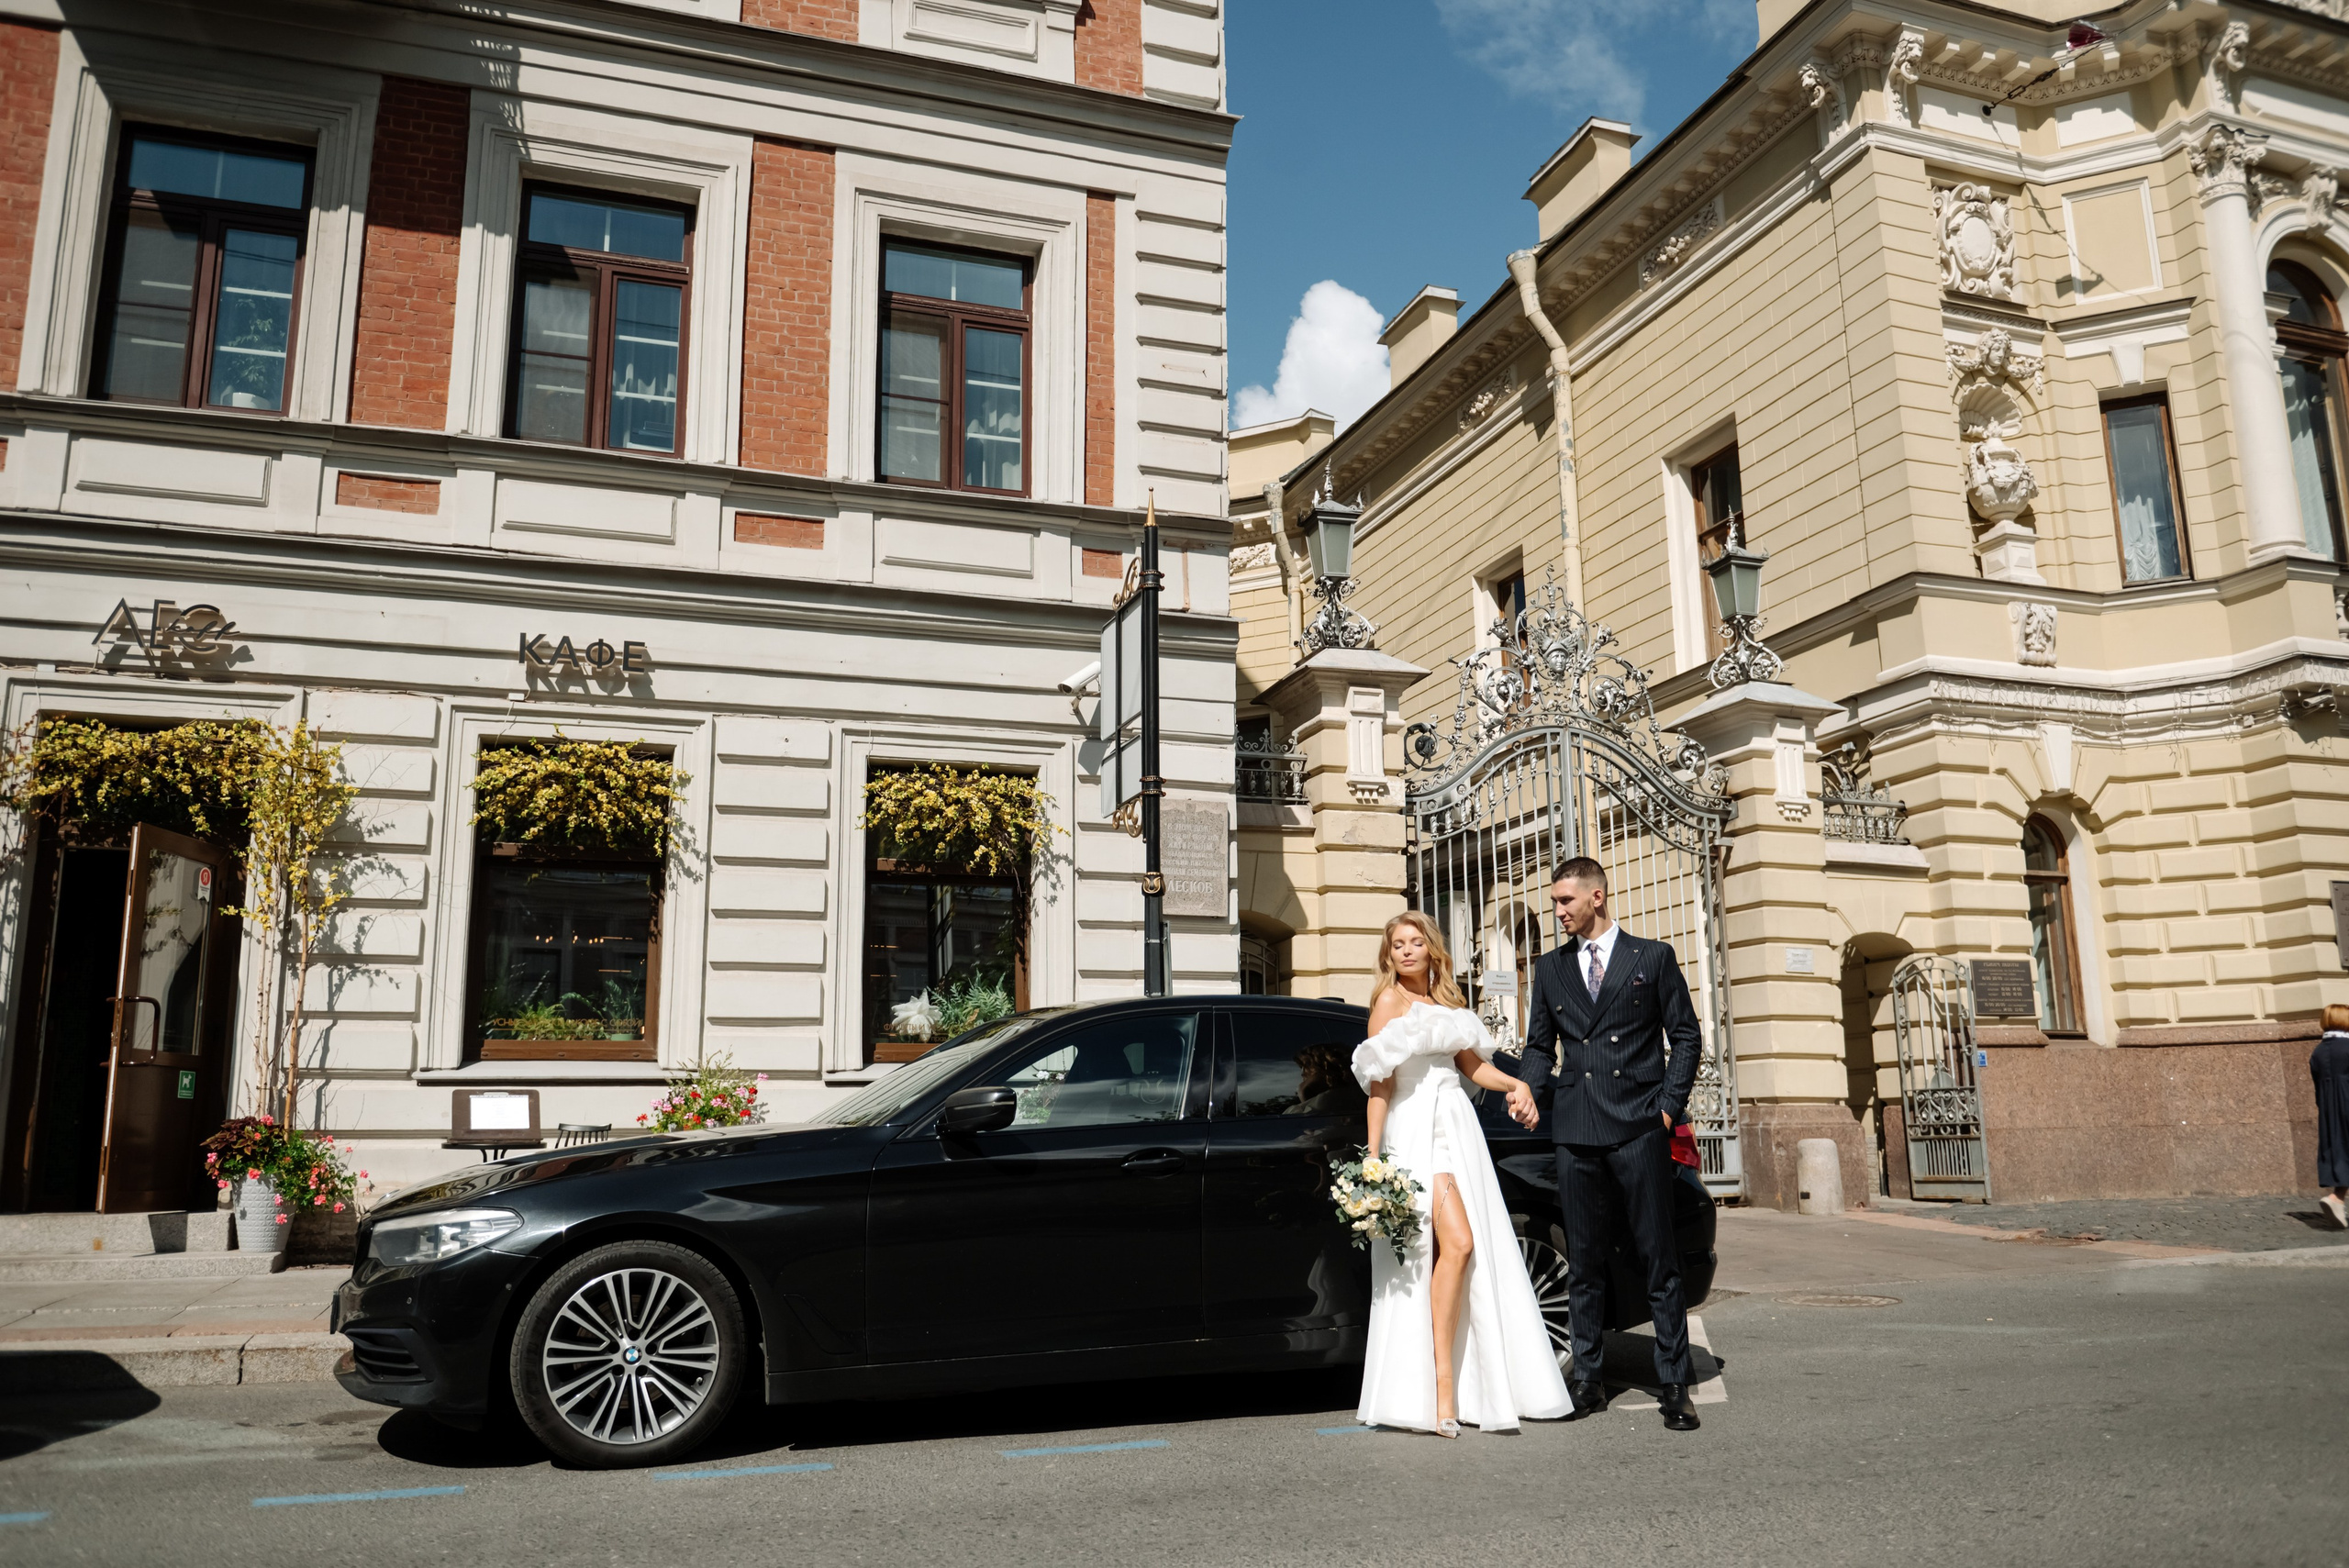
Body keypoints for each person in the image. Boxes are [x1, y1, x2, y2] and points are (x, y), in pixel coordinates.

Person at [1353, 911, 1575, 1437]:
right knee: (1457, 1243)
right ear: (1389, 956)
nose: (1406, 952)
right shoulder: (1388, 1003)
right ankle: (1441, 1388)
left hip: (1456, 1129)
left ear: (1432, 949)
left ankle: (1452, 1386)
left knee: (1463, 1249)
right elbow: (1380, 1086)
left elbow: (1473, 1067)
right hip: (1414, 1132)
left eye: (1415, 943)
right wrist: (1373, 1156)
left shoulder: (1449, 1006)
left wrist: (1516, 1086)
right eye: (1397, 945)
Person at [1518, 856, 1705, 1433]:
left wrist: (1666, 1108)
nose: (1557, 911)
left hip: (1638, 1126)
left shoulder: (1651, 957)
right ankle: (1588, 1379)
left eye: (1565, 901)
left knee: (1658, 1258)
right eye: (1554, 902)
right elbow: (1539, 1046)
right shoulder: (1551, 970)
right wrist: (1525, 1086)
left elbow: (1686, 1036)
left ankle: (1674, 1381)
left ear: (1597, 897)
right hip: (1576, 1129)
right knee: (1586, 1262)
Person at [2312, 1004, 2349, 1229]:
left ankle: (2336, 1199)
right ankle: (2336, 1200)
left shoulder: (2319, 1051)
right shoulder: (2347, 1046)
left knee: (2341, 1152)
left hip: (2330, 1109)